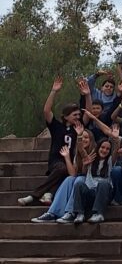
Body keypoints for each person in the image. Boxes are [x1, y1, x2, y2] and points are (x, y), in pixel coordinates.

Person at [18, 76, 91, 207]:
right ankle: (37, 195)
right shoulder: (56, 126)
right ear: (66, 116)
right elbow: (46, 110)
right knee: (62, 169)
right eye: (74, 115)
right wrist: (54, 91)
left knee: (66, 173)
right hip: (56, 161)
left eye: (78, 115)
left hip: (73, 161)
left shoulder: (78, 127)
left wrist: (88, 95)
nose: (77, 117)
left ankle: (46, 194)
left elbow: (89, 112)